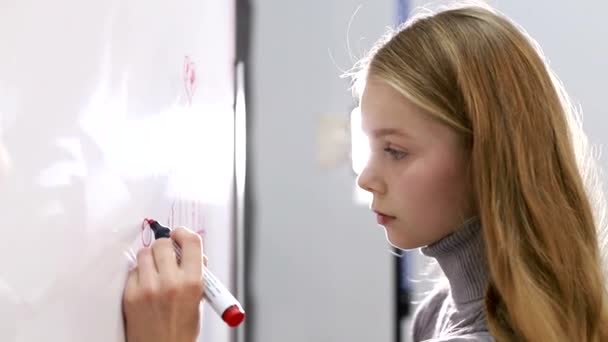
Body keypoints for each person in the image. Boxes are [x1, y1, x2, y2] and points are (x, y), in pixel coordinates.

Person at [122, 2, 608, 341]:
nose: (365, 177)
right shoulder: (444, 310)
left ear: (487, 157)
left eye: (395, 150)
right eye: (369, 145)